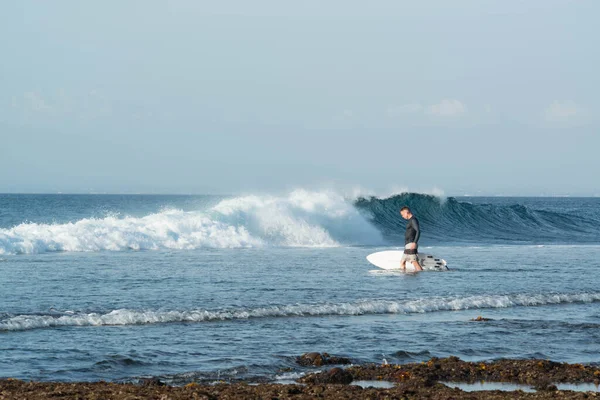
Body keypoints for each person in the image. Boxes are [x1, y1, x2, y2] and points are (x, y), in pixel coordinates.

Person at [399, 206, 423, 271]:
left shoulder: (413, 220)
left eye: (402, 214)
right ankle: (405, 277)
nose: (402, 216)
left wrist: (414, 242)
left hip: (411, 244)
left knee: (414, 262)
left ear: (407, 212)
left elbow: (418, 231)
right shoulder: (410, 220)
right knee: (402, 262)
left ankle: (421, 275)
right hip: (408, 245)